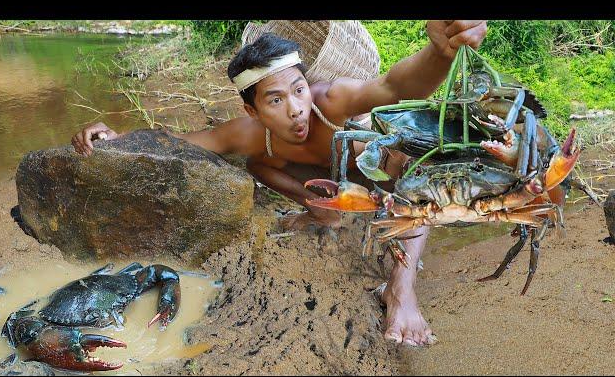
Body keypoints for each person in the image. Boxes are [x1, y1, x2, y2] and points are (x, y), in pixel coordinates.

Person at [72, 20, 488, 347]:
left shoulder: (333, 100)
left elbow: (395, 85)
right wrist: (116, 138)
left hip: (377, 178)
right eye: (275, 100)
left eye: (298, 90)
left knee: (408, 163)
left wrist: (440, 51)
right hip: (329, 186)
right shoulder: (247, 132)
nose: (295, 110)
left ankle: (400, 290)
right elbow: (176, 143)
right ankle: (321, 212)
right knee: (259, 163)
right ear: (252, 110)